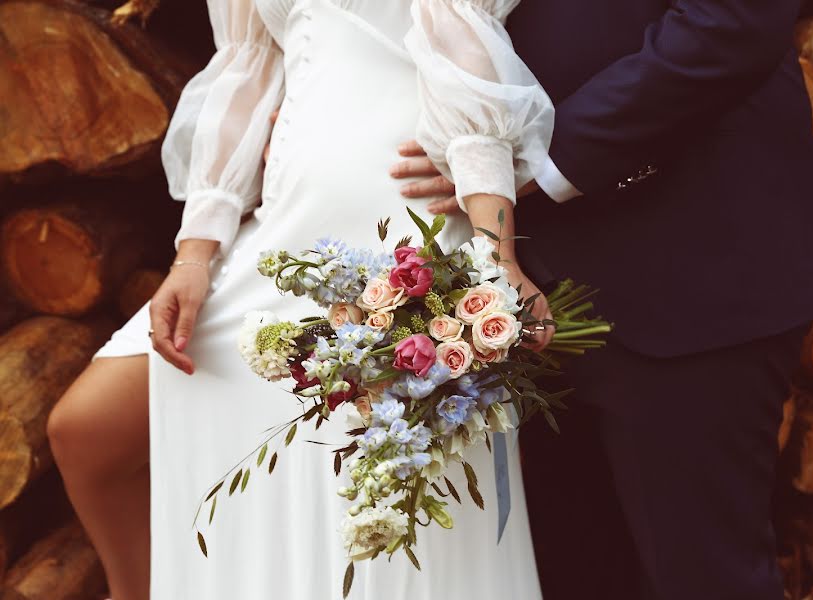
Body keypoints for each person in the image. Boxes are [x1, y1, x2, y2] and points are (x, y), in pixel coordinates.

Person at [46, 1, 555, 599]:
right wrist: (195, 251)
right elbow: (248, 64)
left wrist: (497, 255)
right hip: (283, 230)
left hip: (405, 225)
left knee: (384, 501)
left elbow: (462, 39)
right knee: (83, 429)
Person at [391, 1, 813, 598]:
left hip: (687, 267)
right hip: (508, 296)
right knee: (573, 572)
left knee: (704, 579)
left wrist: (538, 158)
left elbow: (734, 20)